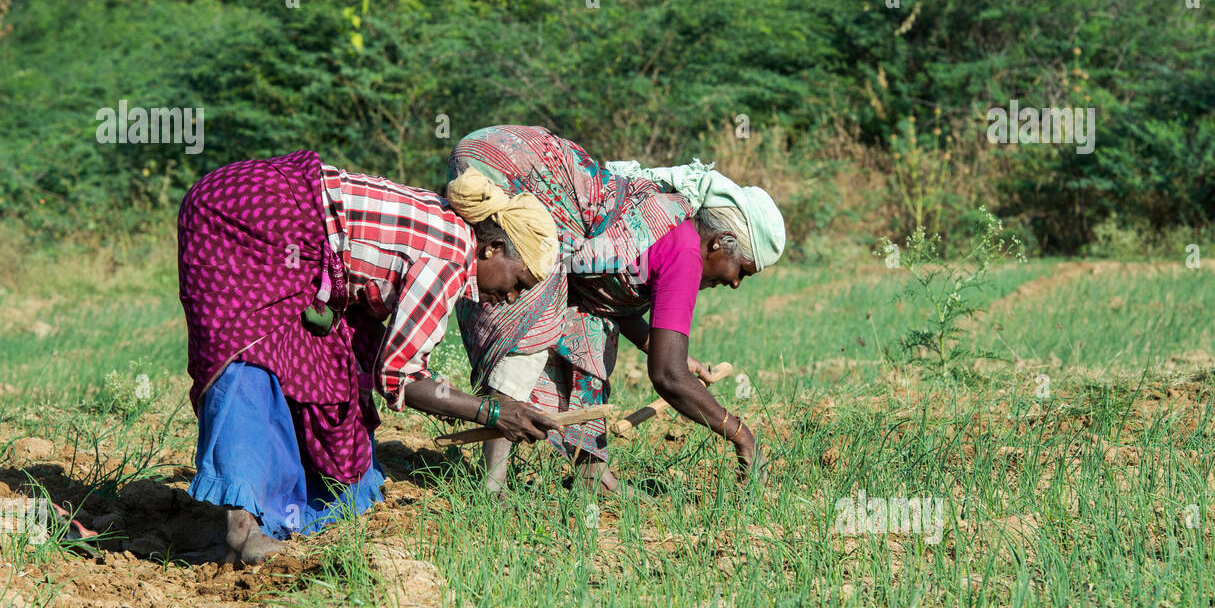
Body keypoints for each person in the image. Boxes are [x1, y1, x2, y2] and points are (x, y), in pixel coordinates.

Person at [177, 149, 559, 563]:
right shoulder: (449, 257)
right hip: (249, 213)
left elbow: (381, 357)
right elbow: (400, 377)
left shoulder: (450, 234)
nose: (510, 297)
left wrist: (489, 407)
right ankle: (242, 529)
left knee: (331, 362)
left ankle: (287, 507)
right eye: (518, 281)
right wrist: (491, 412)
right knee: (250, 352)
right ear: (493, 249)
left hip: (286, 225)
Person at [448, 126, 786, 498]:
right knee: (530, 310)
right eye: (742, 270)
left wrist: (660, 348)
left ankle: (591, 476)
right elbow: (668, 377)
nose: (736, 283)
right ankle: (492, 490)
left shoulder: (669, 229)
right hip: (517, 165)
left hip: (494, 149)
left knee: (588, 326)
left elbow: (603, 295)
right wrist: (741, 435)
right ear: (722, 242)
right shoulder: (686, 251)